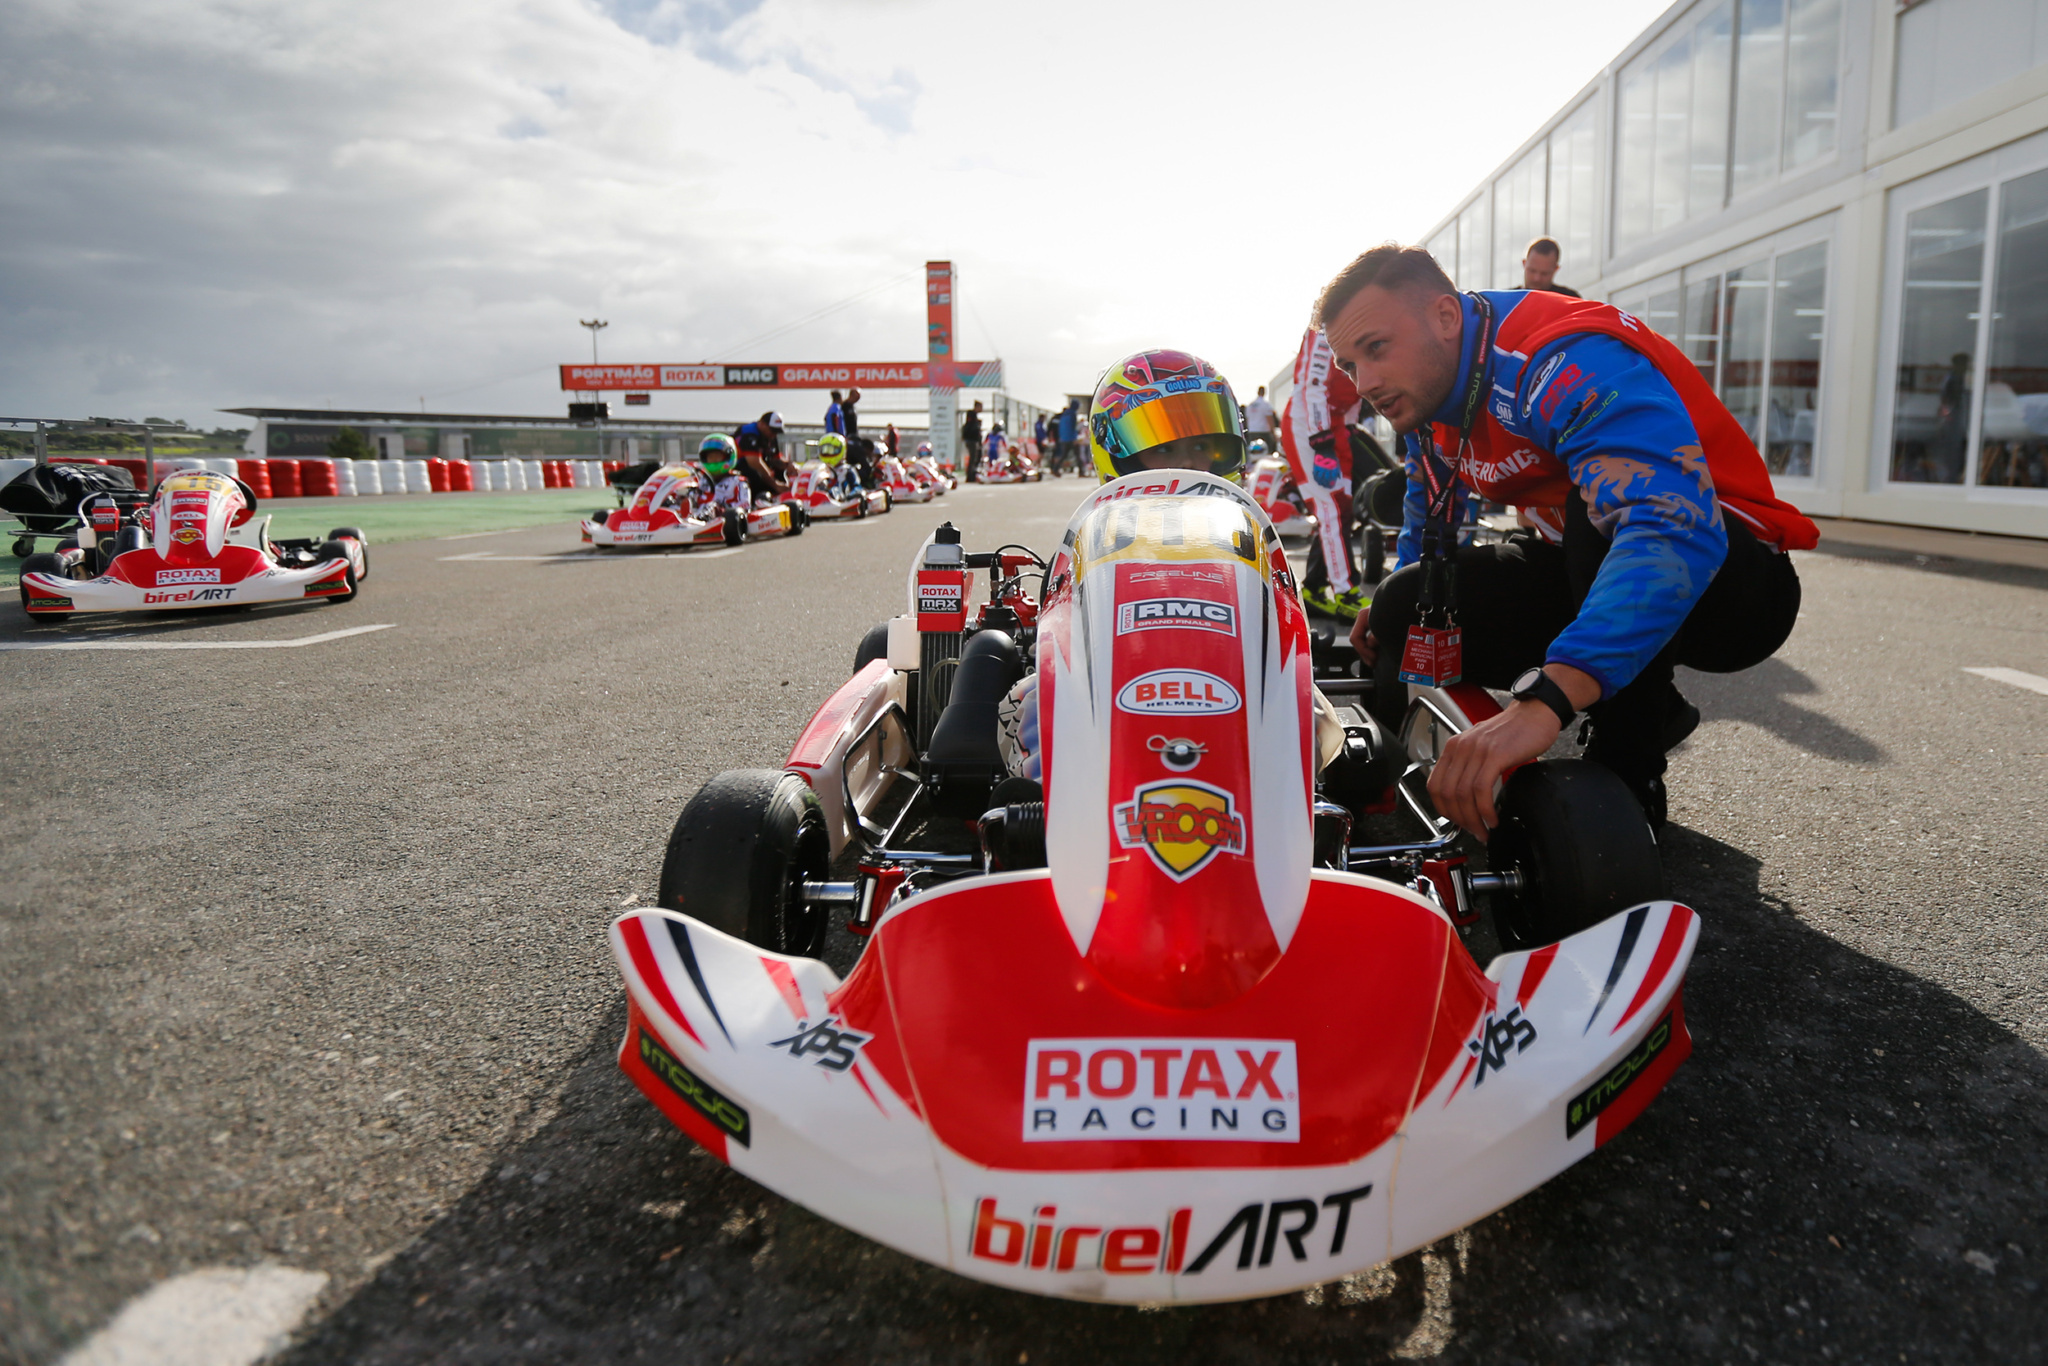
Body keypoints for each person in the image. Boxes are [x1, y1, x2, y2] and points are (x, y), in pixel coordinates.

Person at [1318, 242, 1815, 834]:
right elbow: (1431, 518)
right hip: (1590, 559)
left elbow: (1669, 523)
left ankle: (1627, 777)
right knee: (1401, 605)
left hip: (1734, 583)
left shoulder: (1557, 357)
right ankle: (1648, 702)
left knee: (1599, 509)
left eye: (1376, 349)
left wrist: (1549, 700)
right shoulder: (1426, 394)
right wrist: (1397, 607)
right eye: (1350, 365)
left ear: (1446, 318)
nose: (1365, 382)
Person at [1281, 327, 1368, 621]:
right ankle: (1345, 592)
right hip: (1308, 423)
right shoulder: (1324, 328)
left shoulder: (1370, 319)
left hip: (1339, 423)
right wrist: (1320, 440)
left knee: (1343, 511)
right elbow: (1312, 386)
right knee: (1328, 509)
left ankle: (1314, 589)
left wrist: (1351, 428)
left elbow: (1361, 381)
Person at [733, 410, 790, 503]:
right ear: (762, 424)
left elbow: (776, 458)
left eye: (776, 432)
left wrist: (789, 465)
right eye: (772, 431)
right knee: (755, 475)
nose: (774, 434)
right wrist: (775, 484)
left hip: (759, 464)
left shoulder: (771, 436)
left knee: (781, 471)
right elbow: (754, 463)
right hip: (740, 467)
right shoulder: (749, 433)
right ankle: (755, 501)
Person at [696, 434, 752, 512]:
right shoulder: (700, 480)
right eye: (710, 457)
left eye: (717, 457)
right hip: (699, 519)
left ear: (728, 456)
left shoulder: (738, 481)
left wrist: (721, 509)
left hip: (727, 520)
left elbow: (745, 505)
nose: (713, 460)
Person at [961, 401, 985, 482]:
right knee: (973, 458)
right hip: (972, 440)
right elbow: (972, 428)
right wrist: (977, 425)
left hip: (973, 440)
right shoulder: (972, 416)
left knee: (975, 457)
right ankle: (970, 476)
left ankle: (972, 474)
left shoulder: (973, 417)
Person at [1057, 401, 1079, 476]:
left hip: (1063, 438)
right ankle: (1081, 472)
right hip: (1071, 438)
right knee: (1078, 455)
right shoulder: (1073, 414)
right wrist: (1075, 438)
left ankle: (1055, 469)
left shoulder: (1064, 414)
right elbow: (1073, 427)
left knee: (1063, 455)